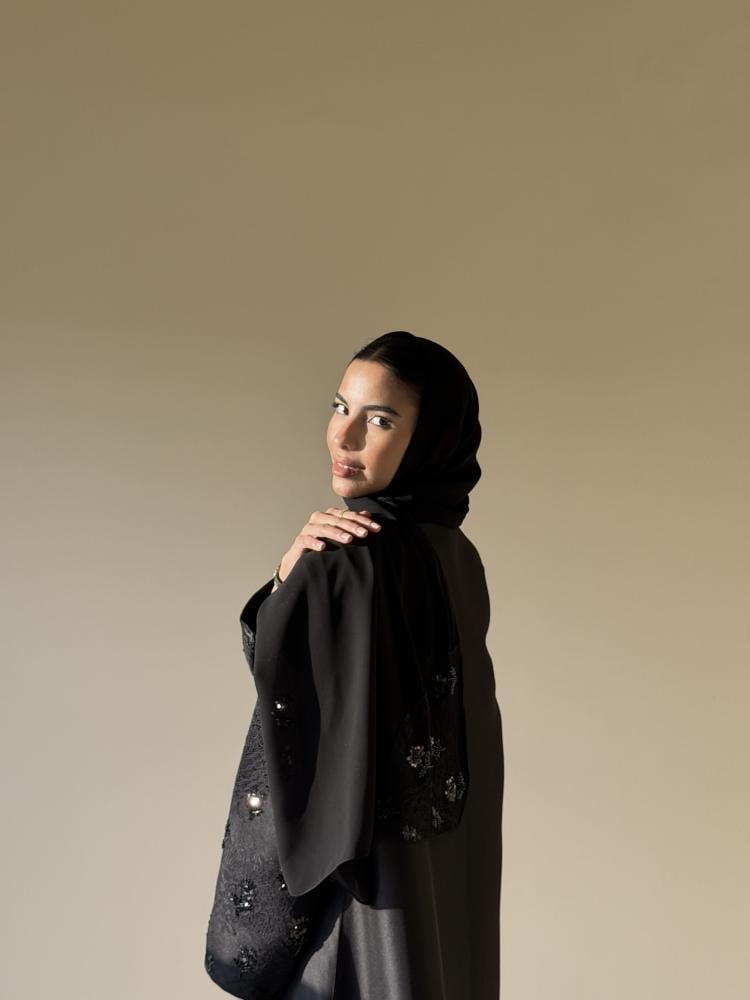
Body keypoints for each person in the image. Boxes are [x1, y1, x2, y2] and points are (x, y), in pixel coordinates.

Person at [236, 331, 504, 999]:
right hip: (446, 870)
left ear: (431, 437)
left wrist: (287, 580)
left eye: (379, 420)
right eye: (340, 407)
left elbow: (286, 694)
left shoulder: (344, 557)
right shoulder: (457, 555)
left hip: (362, 889)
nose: (344, 435)